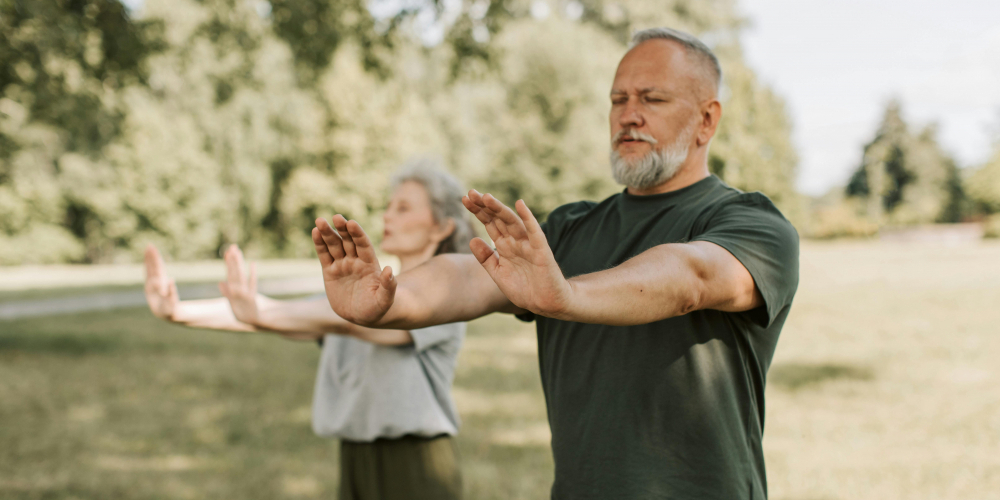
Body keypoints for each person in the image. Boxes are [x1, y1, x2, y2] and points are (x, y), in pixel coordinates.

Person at [310, 28, 800, 499]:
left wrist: (568, 296)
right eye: (618, 100)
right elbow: (469, 275)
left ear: (707, 120)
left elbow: (693, 276)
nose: (629, 115)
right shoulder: (570, 229)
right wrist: (390, 303)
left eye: (652, 99)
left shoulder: (753, 224)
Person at [144, 160, 476, 500]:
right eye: (389, 205)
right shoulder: (357, 297)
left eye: (403, 208)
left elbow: (344, 322)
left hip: (416, 463)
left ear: (441, 227)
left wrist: (259, 311)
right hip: (354, 455)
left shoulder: (445, 298)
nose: (387, 216)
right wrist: (178, 311)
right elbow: (288, 317)